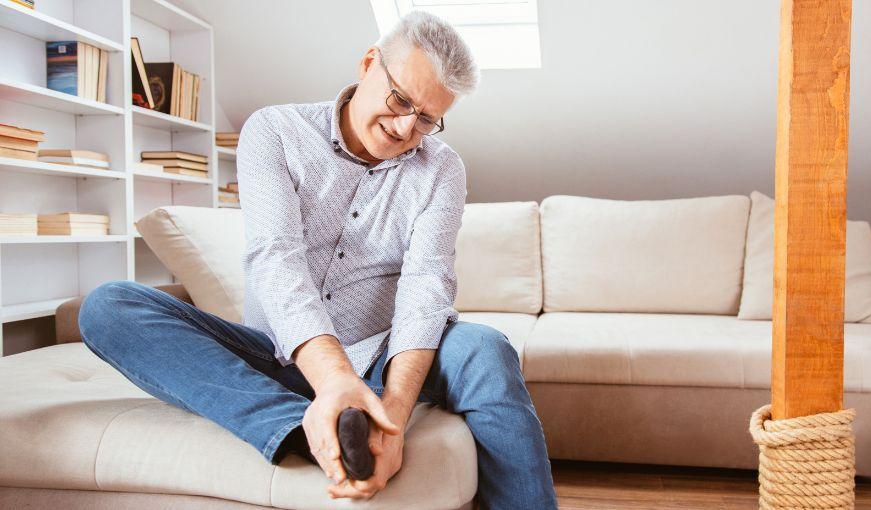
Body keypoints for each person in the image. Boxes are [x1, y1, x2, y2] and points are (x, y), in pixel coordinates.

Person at [78, 10, 557, 509]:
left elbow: (427, 284)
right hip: (275, 354)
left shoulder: (441, 169)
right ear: (369, 63)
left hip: (381, 355)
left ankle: (364, 427)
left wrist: (391, 418)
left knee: (484, 347)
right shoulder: (275, 131)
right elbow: (275, 259)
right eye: (400, 101)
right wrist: (334, 383)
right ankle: (313, 432)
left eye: (426, 120)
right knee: (109, 307)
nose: (403, 128)